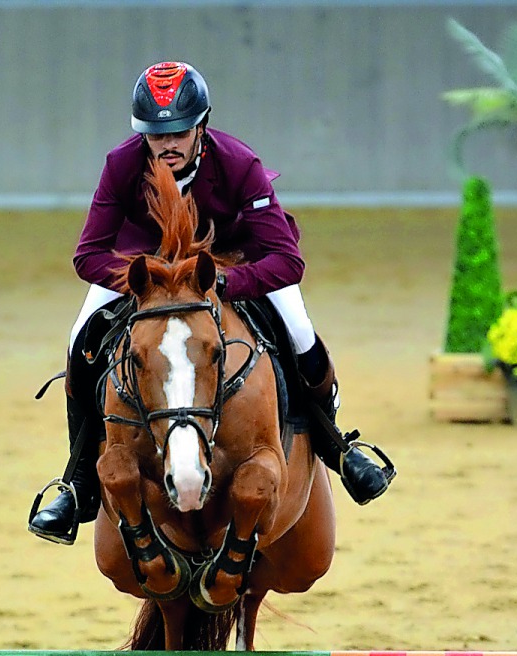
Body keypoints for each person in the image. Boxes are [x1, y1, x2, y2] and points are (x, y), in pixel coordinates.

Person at [28, 60, 394, 545]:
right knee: (79, 343)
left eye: (179, 131)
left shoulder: (238, 162)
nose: (169, 144)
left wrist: (224, 283)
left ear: (201, 125)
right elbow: (88, 255)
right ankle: (76, 484)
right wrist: (150, 281)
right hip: (150, 273)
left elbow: (287, 261)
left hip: (239, 264)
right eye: (157, 135)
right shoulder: (122, 164)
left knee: (299, 332)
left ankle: (338, 448)